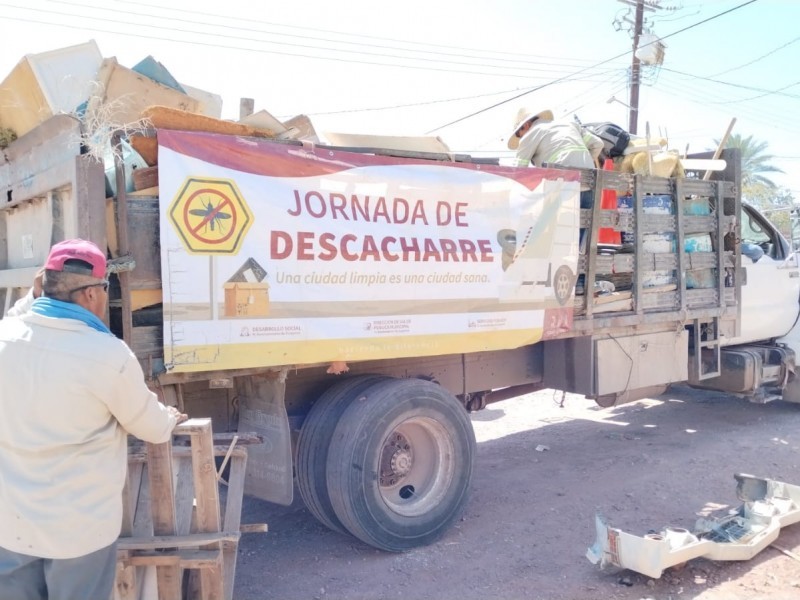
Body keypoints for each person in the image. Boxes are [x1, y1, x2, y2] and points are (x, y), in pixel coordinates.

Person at [0, 239, 185, 600]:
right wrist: (168, 418)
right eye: (105, 288)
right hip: (77, 532)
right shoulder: (107, 355)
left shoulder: (5, 339)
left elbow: (17, 317)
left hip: (11, 525)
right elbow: (151, 427)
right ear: (90, 295)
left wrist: (33, 293)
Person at [508, 107, 604, 209]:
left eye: (519, 134)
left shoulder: (530, 134)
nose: (520, 139)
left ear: (526, 125)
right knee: (583, 223)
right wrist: (585, 164)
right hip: (588, 183)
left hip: (561, 186)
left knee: (547, 221)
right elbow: (598, 144)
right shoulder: (570, 125)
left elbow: (518, 169)